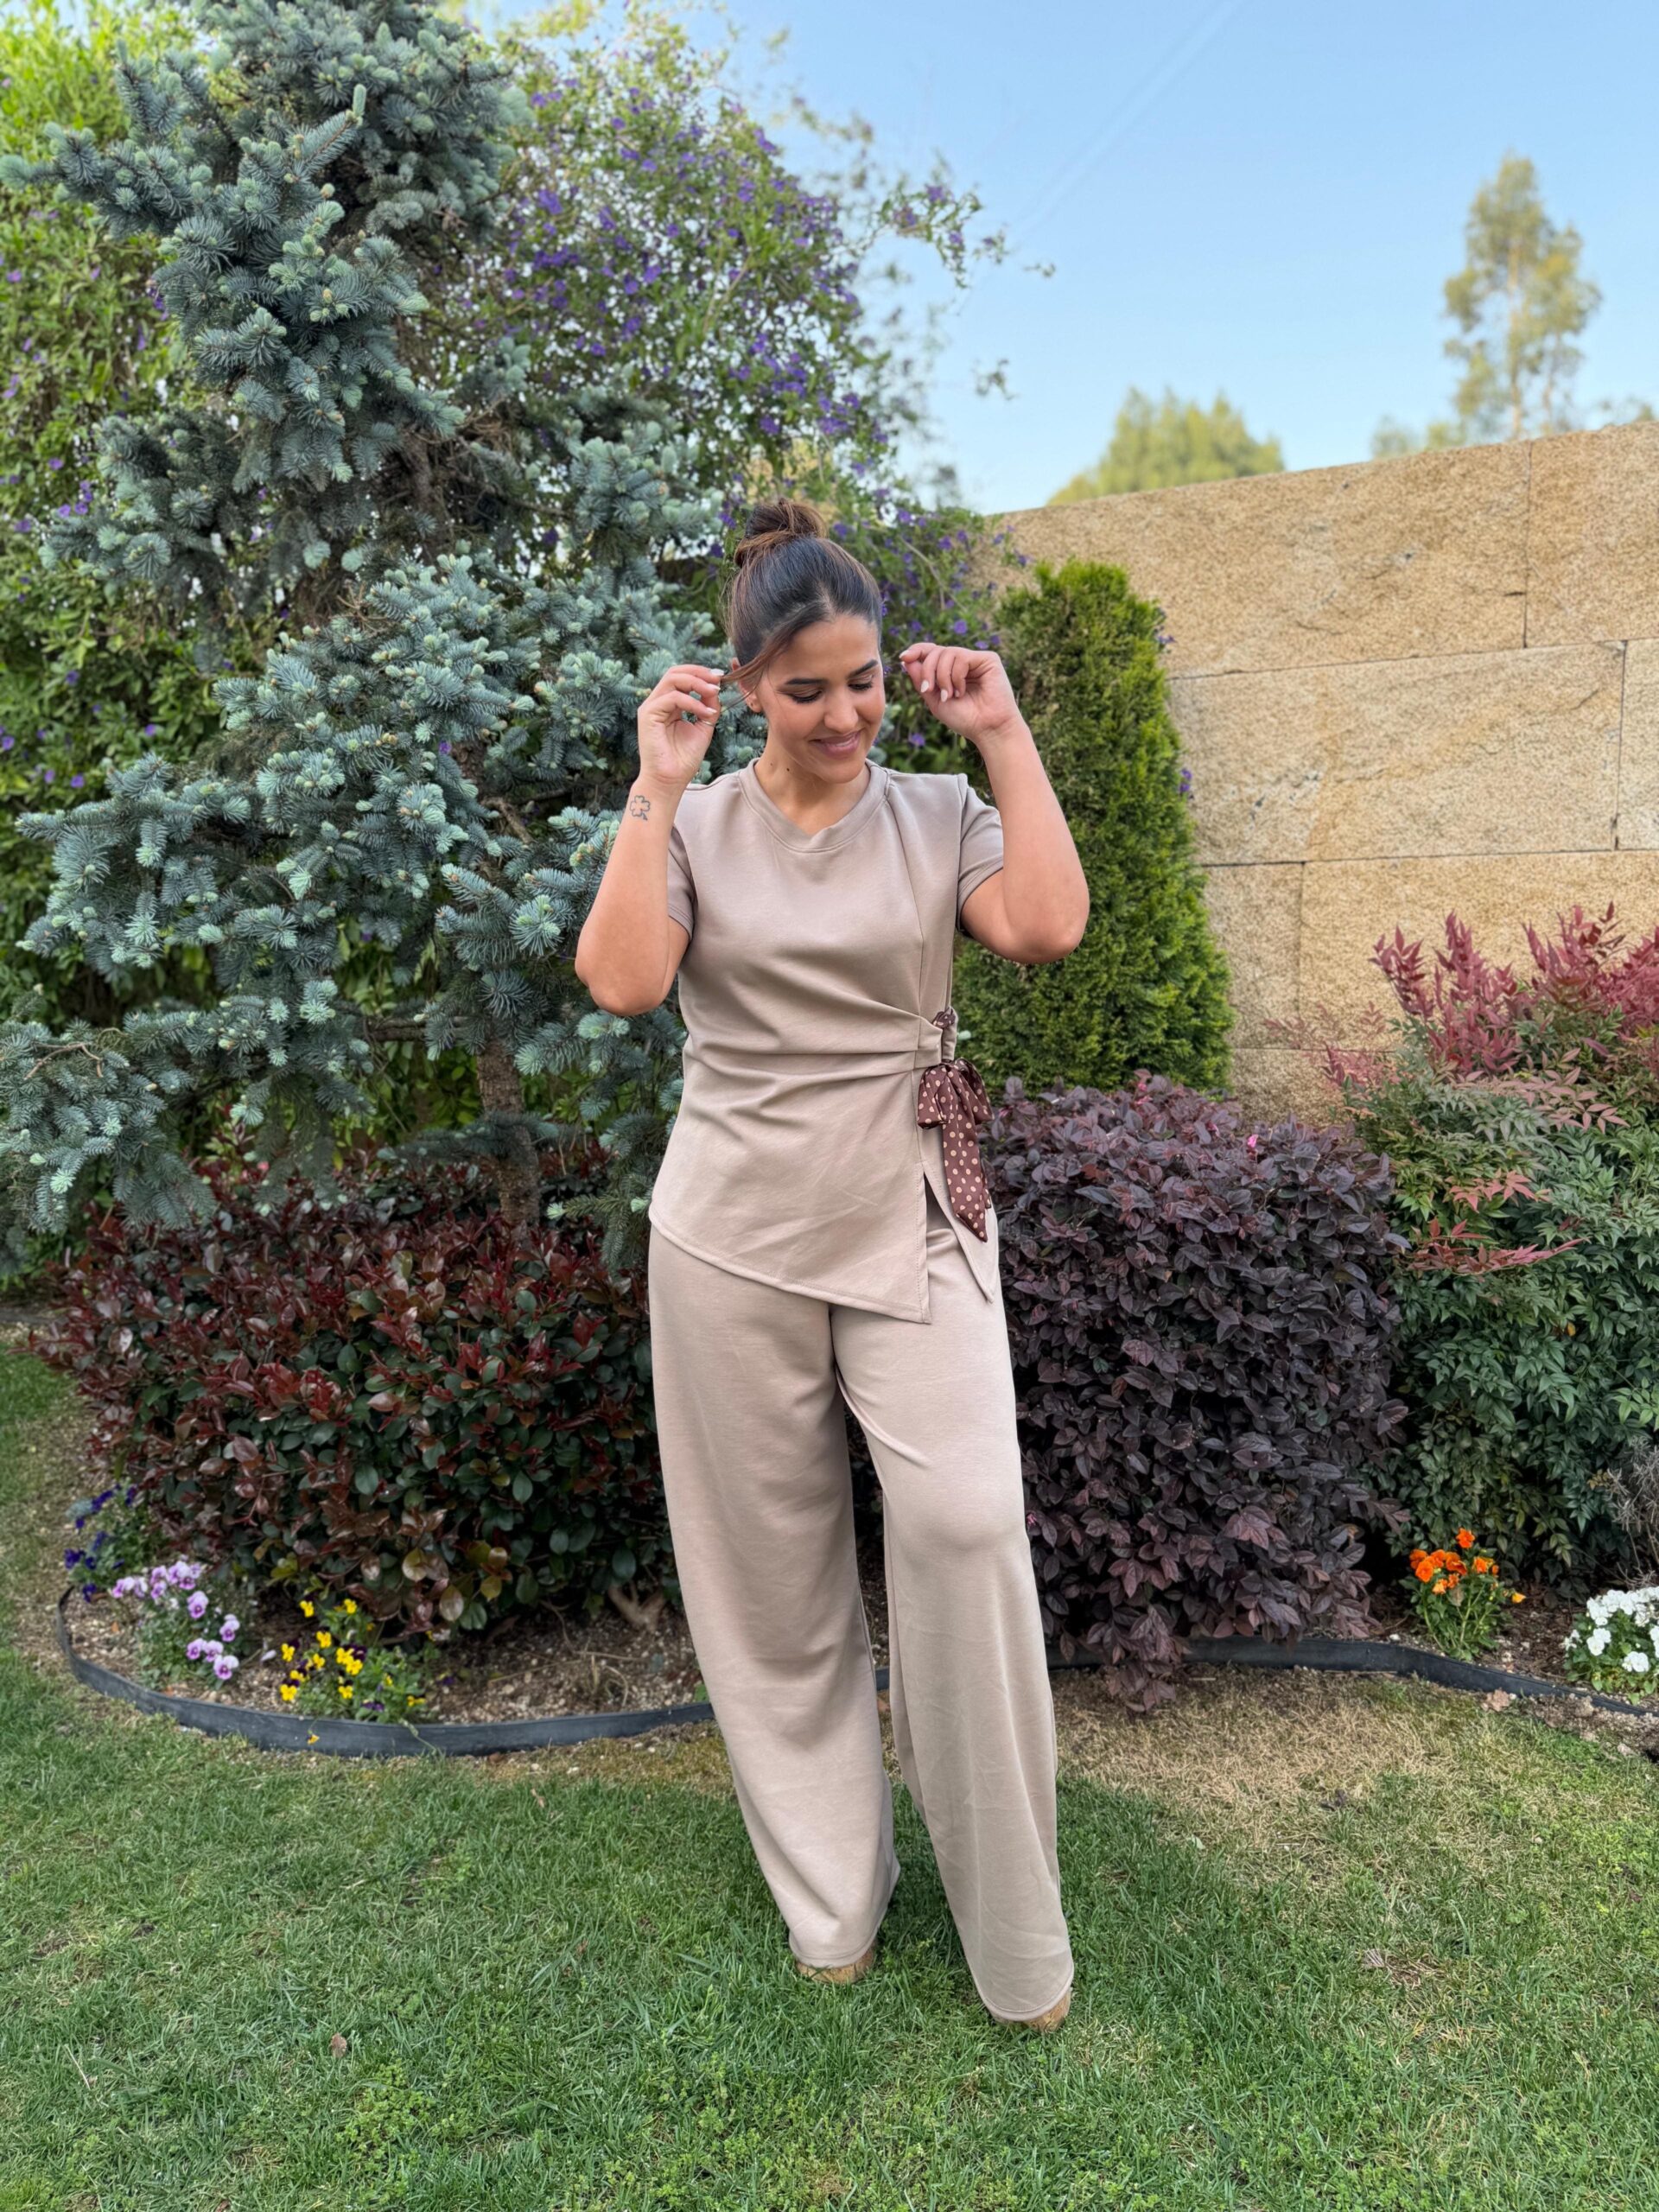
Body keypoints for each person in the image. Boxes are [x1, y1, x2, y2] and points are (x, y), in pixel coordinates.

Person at [574, 497, 1090, 2031]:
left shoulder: (937, 811)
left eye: (863, 681)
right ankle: (830, 1897)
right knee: (771, 1580)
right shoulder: (697, 824)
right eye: (808, 691)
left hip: (915, 1206)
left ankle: (1016, 1937)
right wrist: (656, 785)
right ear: (747, 689)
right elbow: (622, 983)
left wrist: (1003, 734)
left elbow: (1046, 928)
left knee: (965, 1524)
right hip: (729, 1230)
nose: (848, 714)